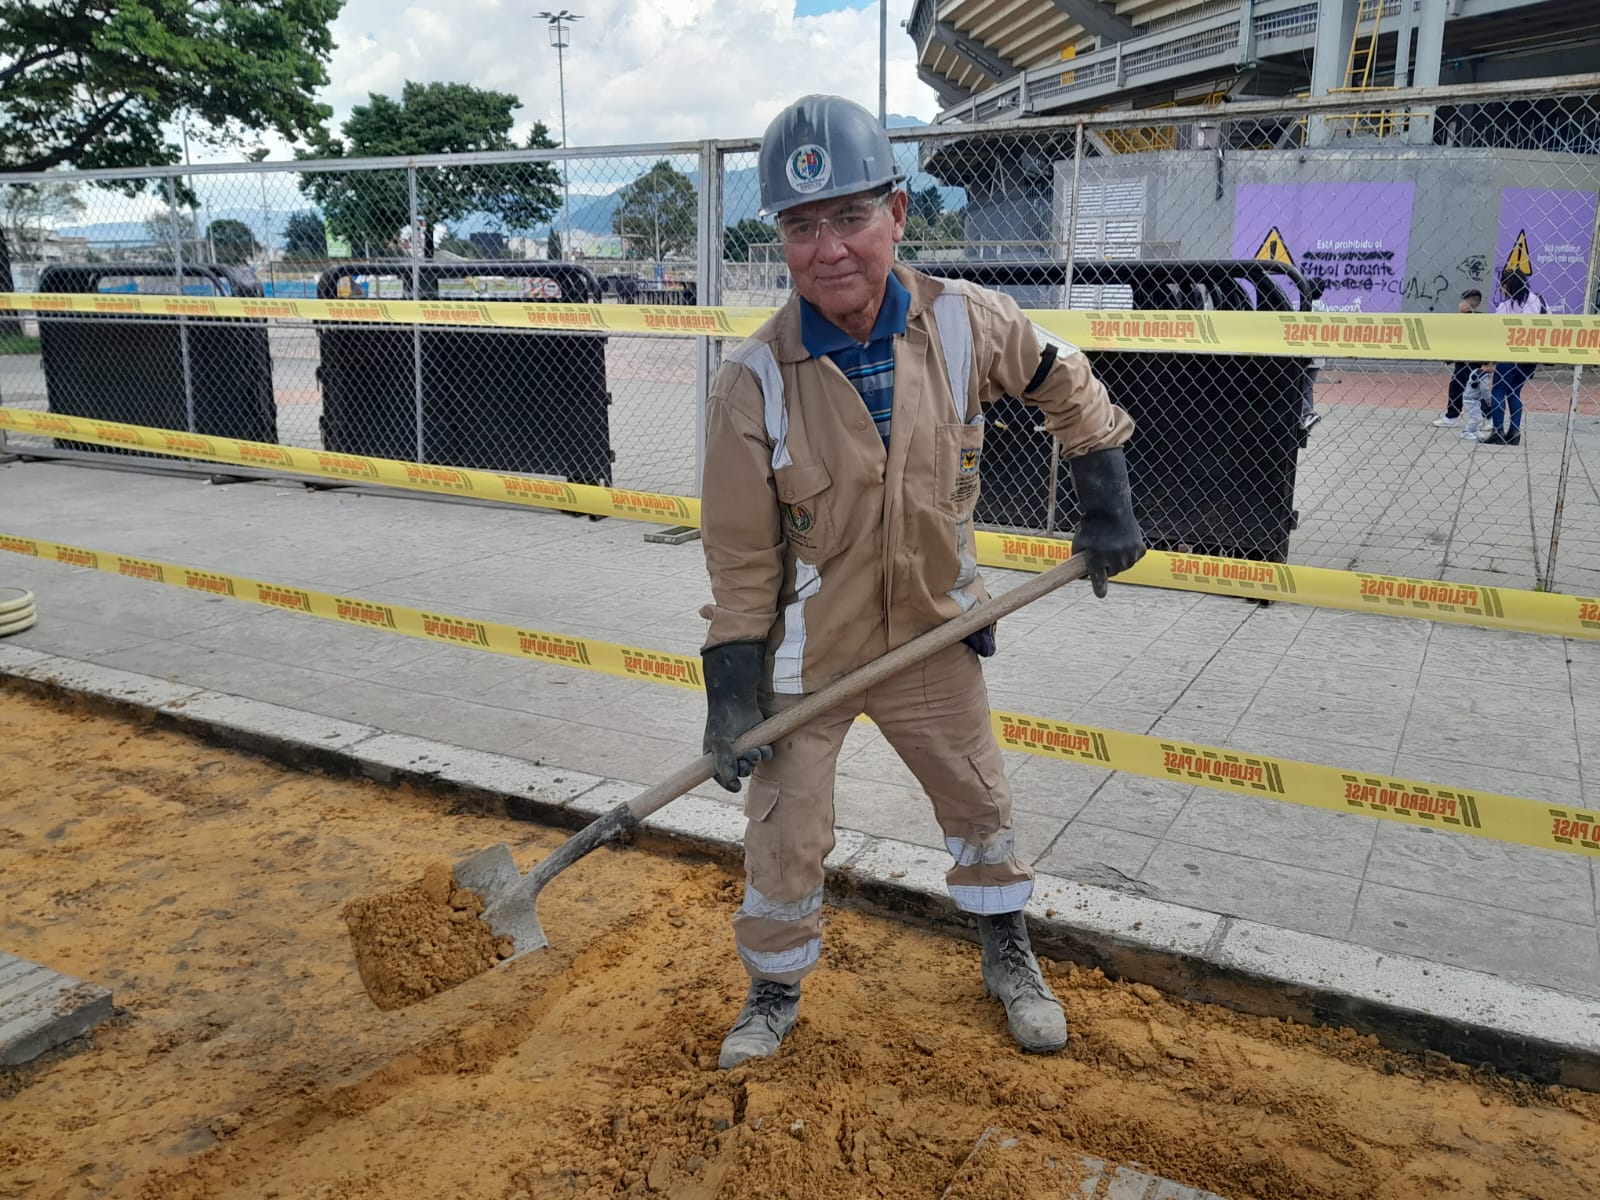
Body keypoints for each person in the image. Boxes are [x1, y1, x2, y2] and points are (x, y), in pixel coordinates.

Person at [698, 95, 1144, 1070]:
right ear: (780, 235)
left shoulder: (963, 325)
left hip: (934, 636)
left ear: (897, 214)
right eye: (802, 225)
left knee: (980, 808)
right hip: (809, 657)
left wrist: (1102, 489)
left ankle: (1004, 949)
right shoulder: (752, 382)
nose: (828, 249)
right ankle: (772, 989)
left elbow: (1061, 378)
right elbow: (739, 558)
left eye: (850, 216)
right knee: (783, 833)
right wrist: (728, 689)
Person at [1481, 271, 1547, 447]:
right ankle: (1514, 431)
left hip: (1510, 353)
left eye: (1503, 285)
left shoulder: (1506, 306)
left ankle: (1497, 431)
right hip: (1530, 355)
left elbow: (1496, 329)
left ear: (1507, 285)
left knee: (1498, 390)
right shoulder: (1535, 300)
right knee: (1514, 391)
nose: (1502, 289)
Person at [1430, 289, 1492, 436]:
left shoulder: (1470, 320)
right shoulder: (1473, 319)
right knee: (1457, 387)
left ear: (1468, 305)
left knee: (1475, 391)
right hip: (1464, 362)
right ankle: (1452, 416)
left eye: (1462, 302)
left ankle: (1490, 416)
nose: (1459, 304)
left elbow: (1459, 341)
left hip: (1472, 362)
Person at [1301, 281, 1327, 431]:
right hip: (1319, 357)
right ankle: (1306, 418)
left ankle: (1307, 413)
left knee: (1295, 388)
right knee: (1308, 388)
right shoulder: (1325, 309)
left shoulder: (1305, 307)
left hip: (1305, 356)